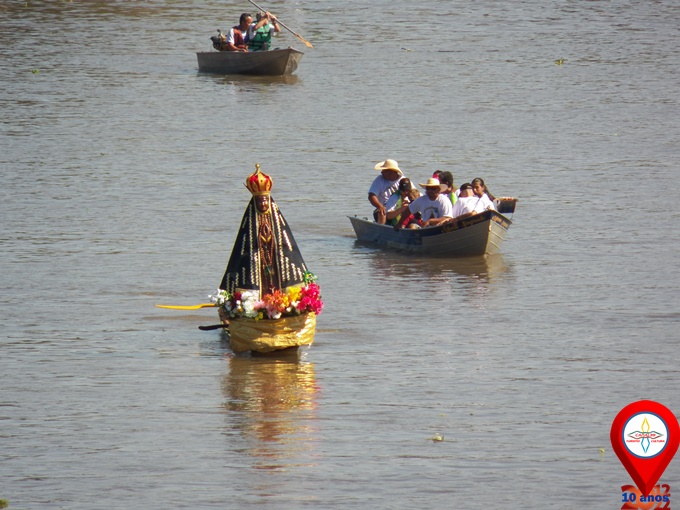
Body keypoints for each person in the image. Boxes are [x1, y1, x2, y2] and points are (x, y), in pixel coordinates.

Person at [219, 164, 309, 299]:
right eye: (260, 201)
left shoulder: (277, 222)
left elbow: (287, 247)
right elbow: (243, 251)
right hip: (258, 265)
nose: (263, 204)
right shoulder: (250, 223)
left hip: (275, 263)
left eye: (265, 200)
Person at [369, 159, 405, 224]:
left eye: (384, 171)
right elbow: (371, 196)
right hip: (383, 208)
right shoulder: (379, 180)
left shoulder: (403, 180)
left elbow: (414, 193)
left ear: (392, 172)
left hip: (399, 208)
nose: (381, 172)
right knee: (382, 212)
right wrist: (380, 206)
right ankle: (381, 228)